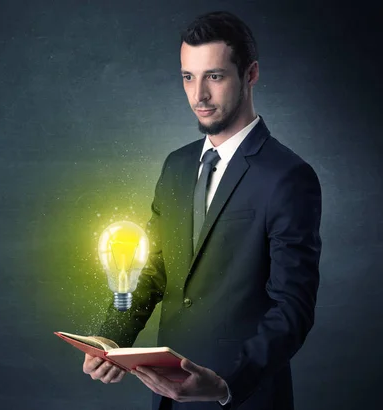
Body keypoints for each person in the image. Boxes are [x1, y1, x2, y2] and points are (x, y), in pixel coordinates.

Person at [82, 10, 322, 410]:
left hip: (245, 396)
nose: (199, 96)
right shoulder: (176, 165)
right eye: (188, 77)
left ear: (251, 74)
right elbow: (154, 269)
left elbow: (293, 307)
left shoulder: (289, 177)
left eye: (215, 76)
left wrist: (228, 384)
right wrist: (112, 339)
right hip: (170, 396)